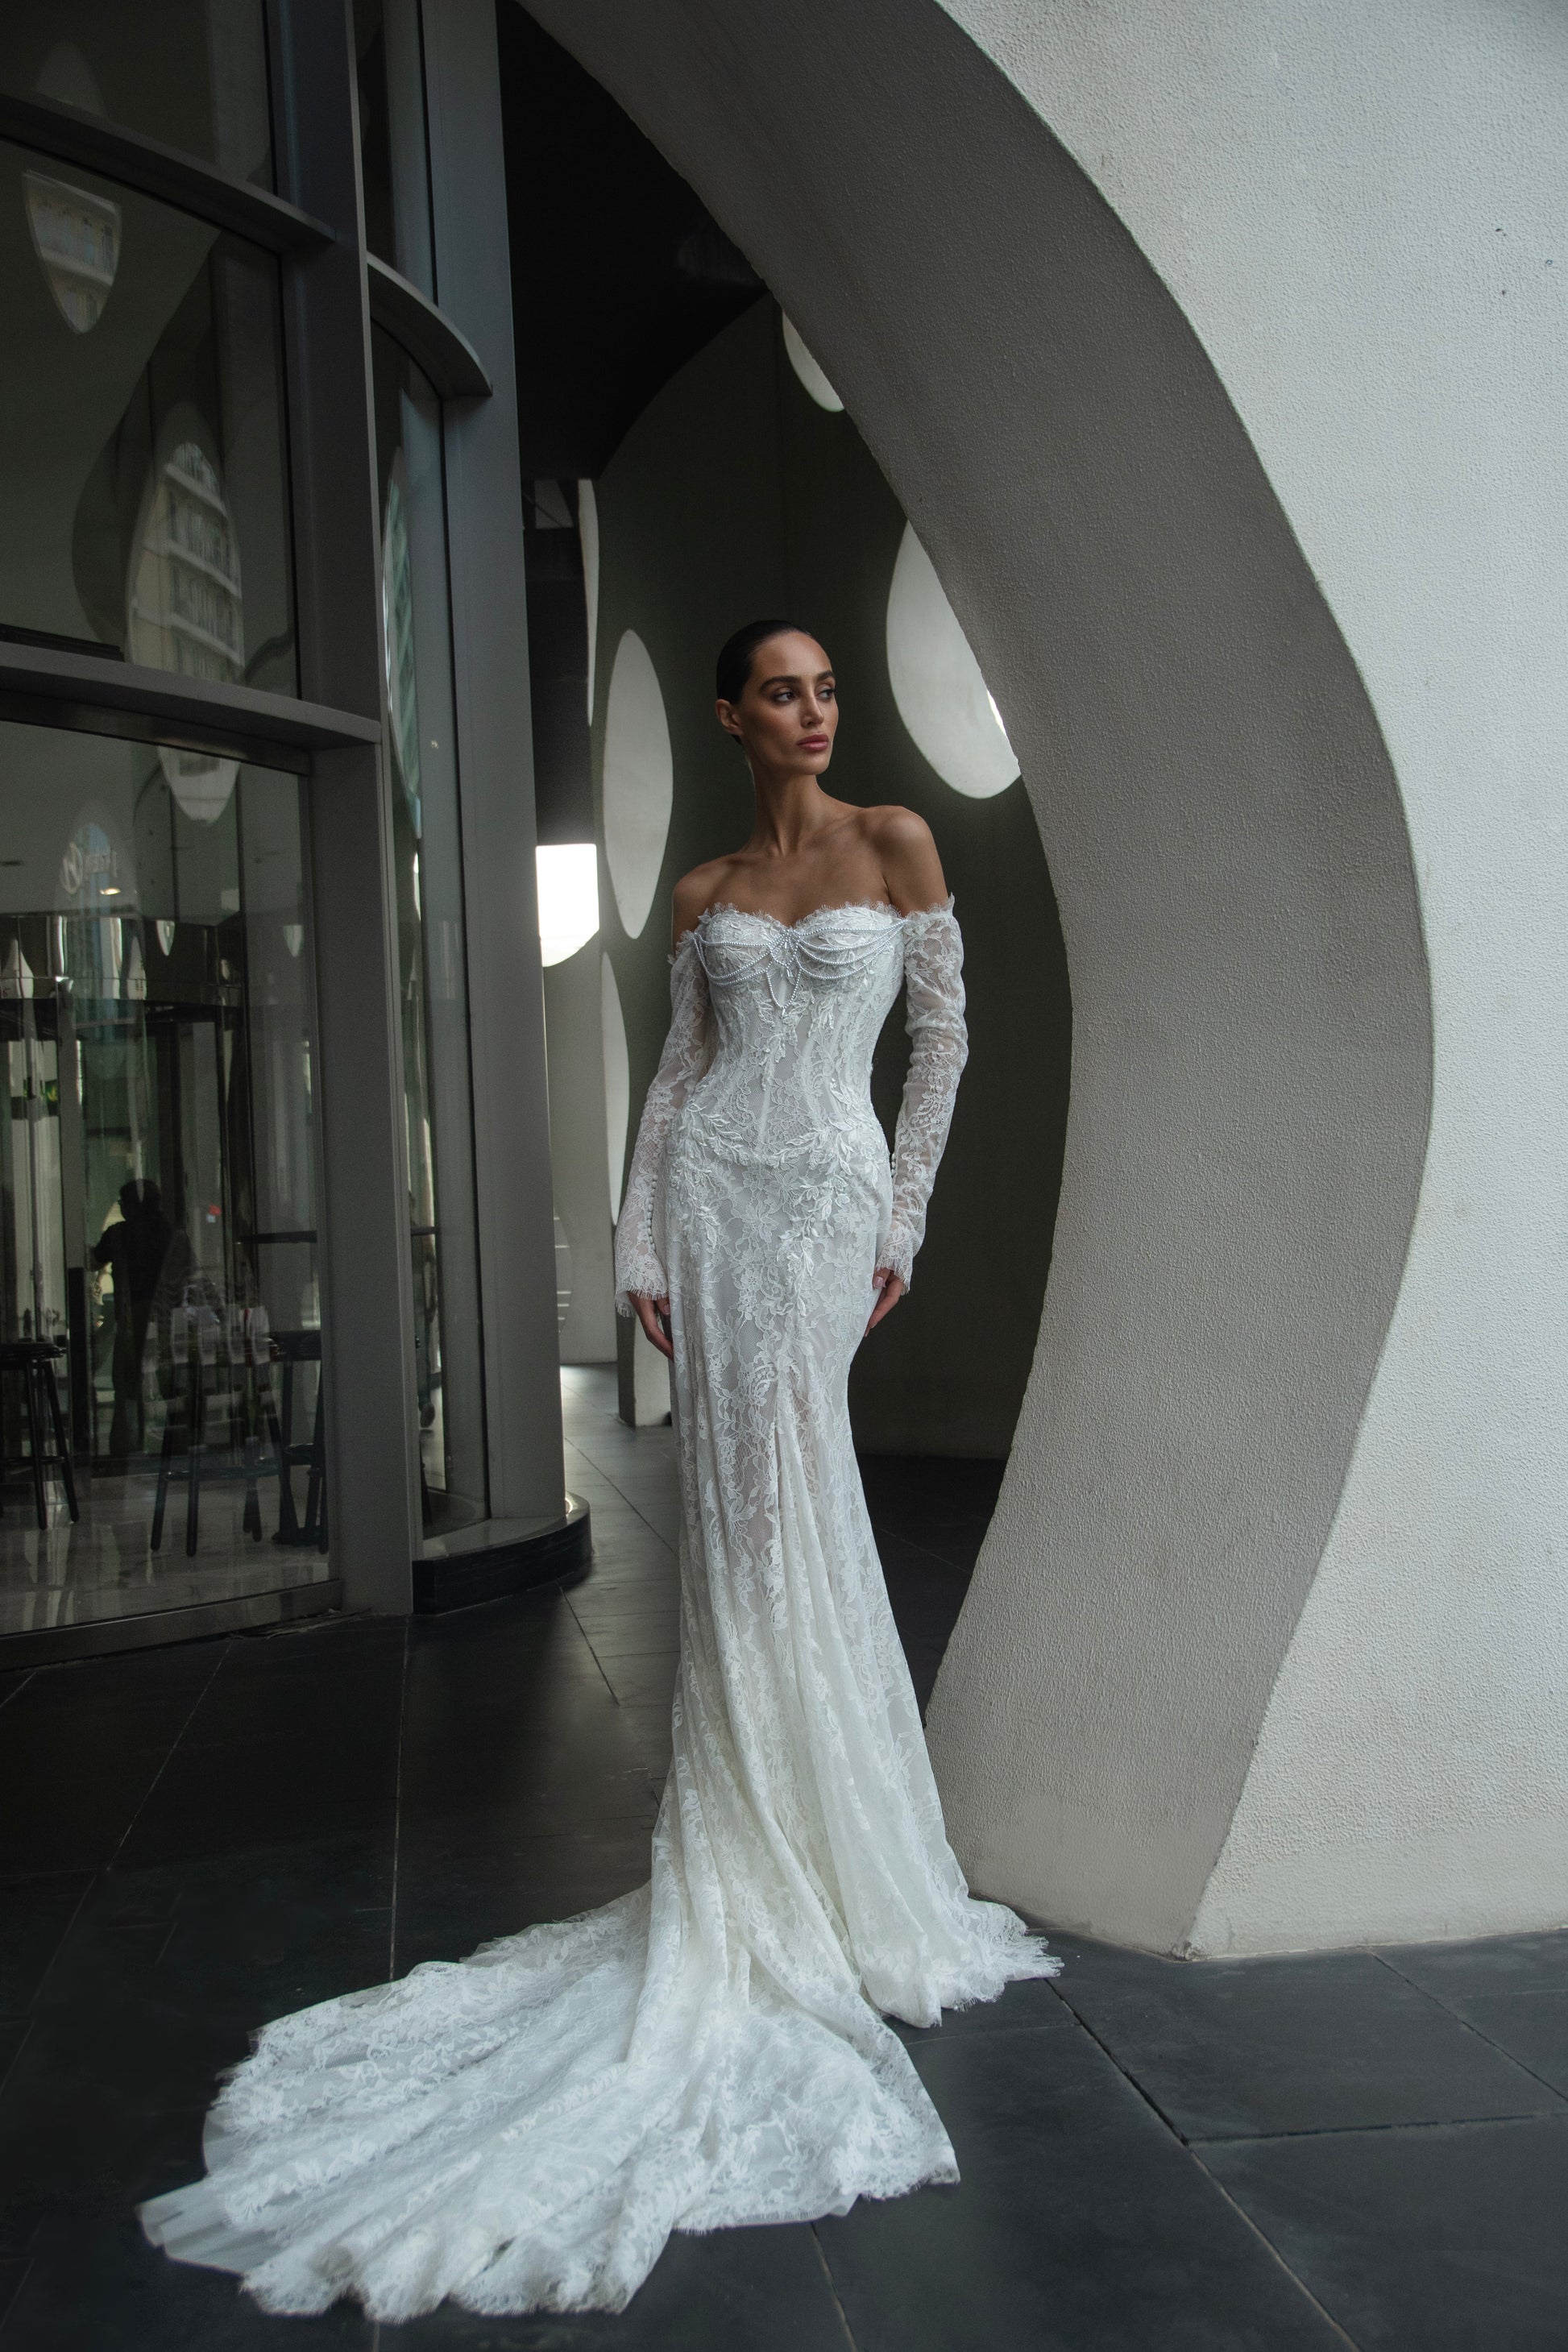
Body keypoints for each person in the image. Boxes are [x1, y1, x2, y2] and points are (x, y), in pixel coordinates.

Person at [139, 620, 1058, 2320]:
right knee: (738, 1521)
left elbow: (943, 1043)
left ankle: (840, 1852)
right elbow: (672, 1080)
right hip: (712, 1199)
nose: (810, 707)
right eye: (779, 688)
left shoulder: (893, 840)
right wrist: (638, 1234)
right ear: (727, 716)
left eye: (824, 686)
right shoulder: (705, 884)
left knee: (800, 1500)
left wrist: (907, 1218)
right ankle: (761, 1842)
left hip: (830, 1197)